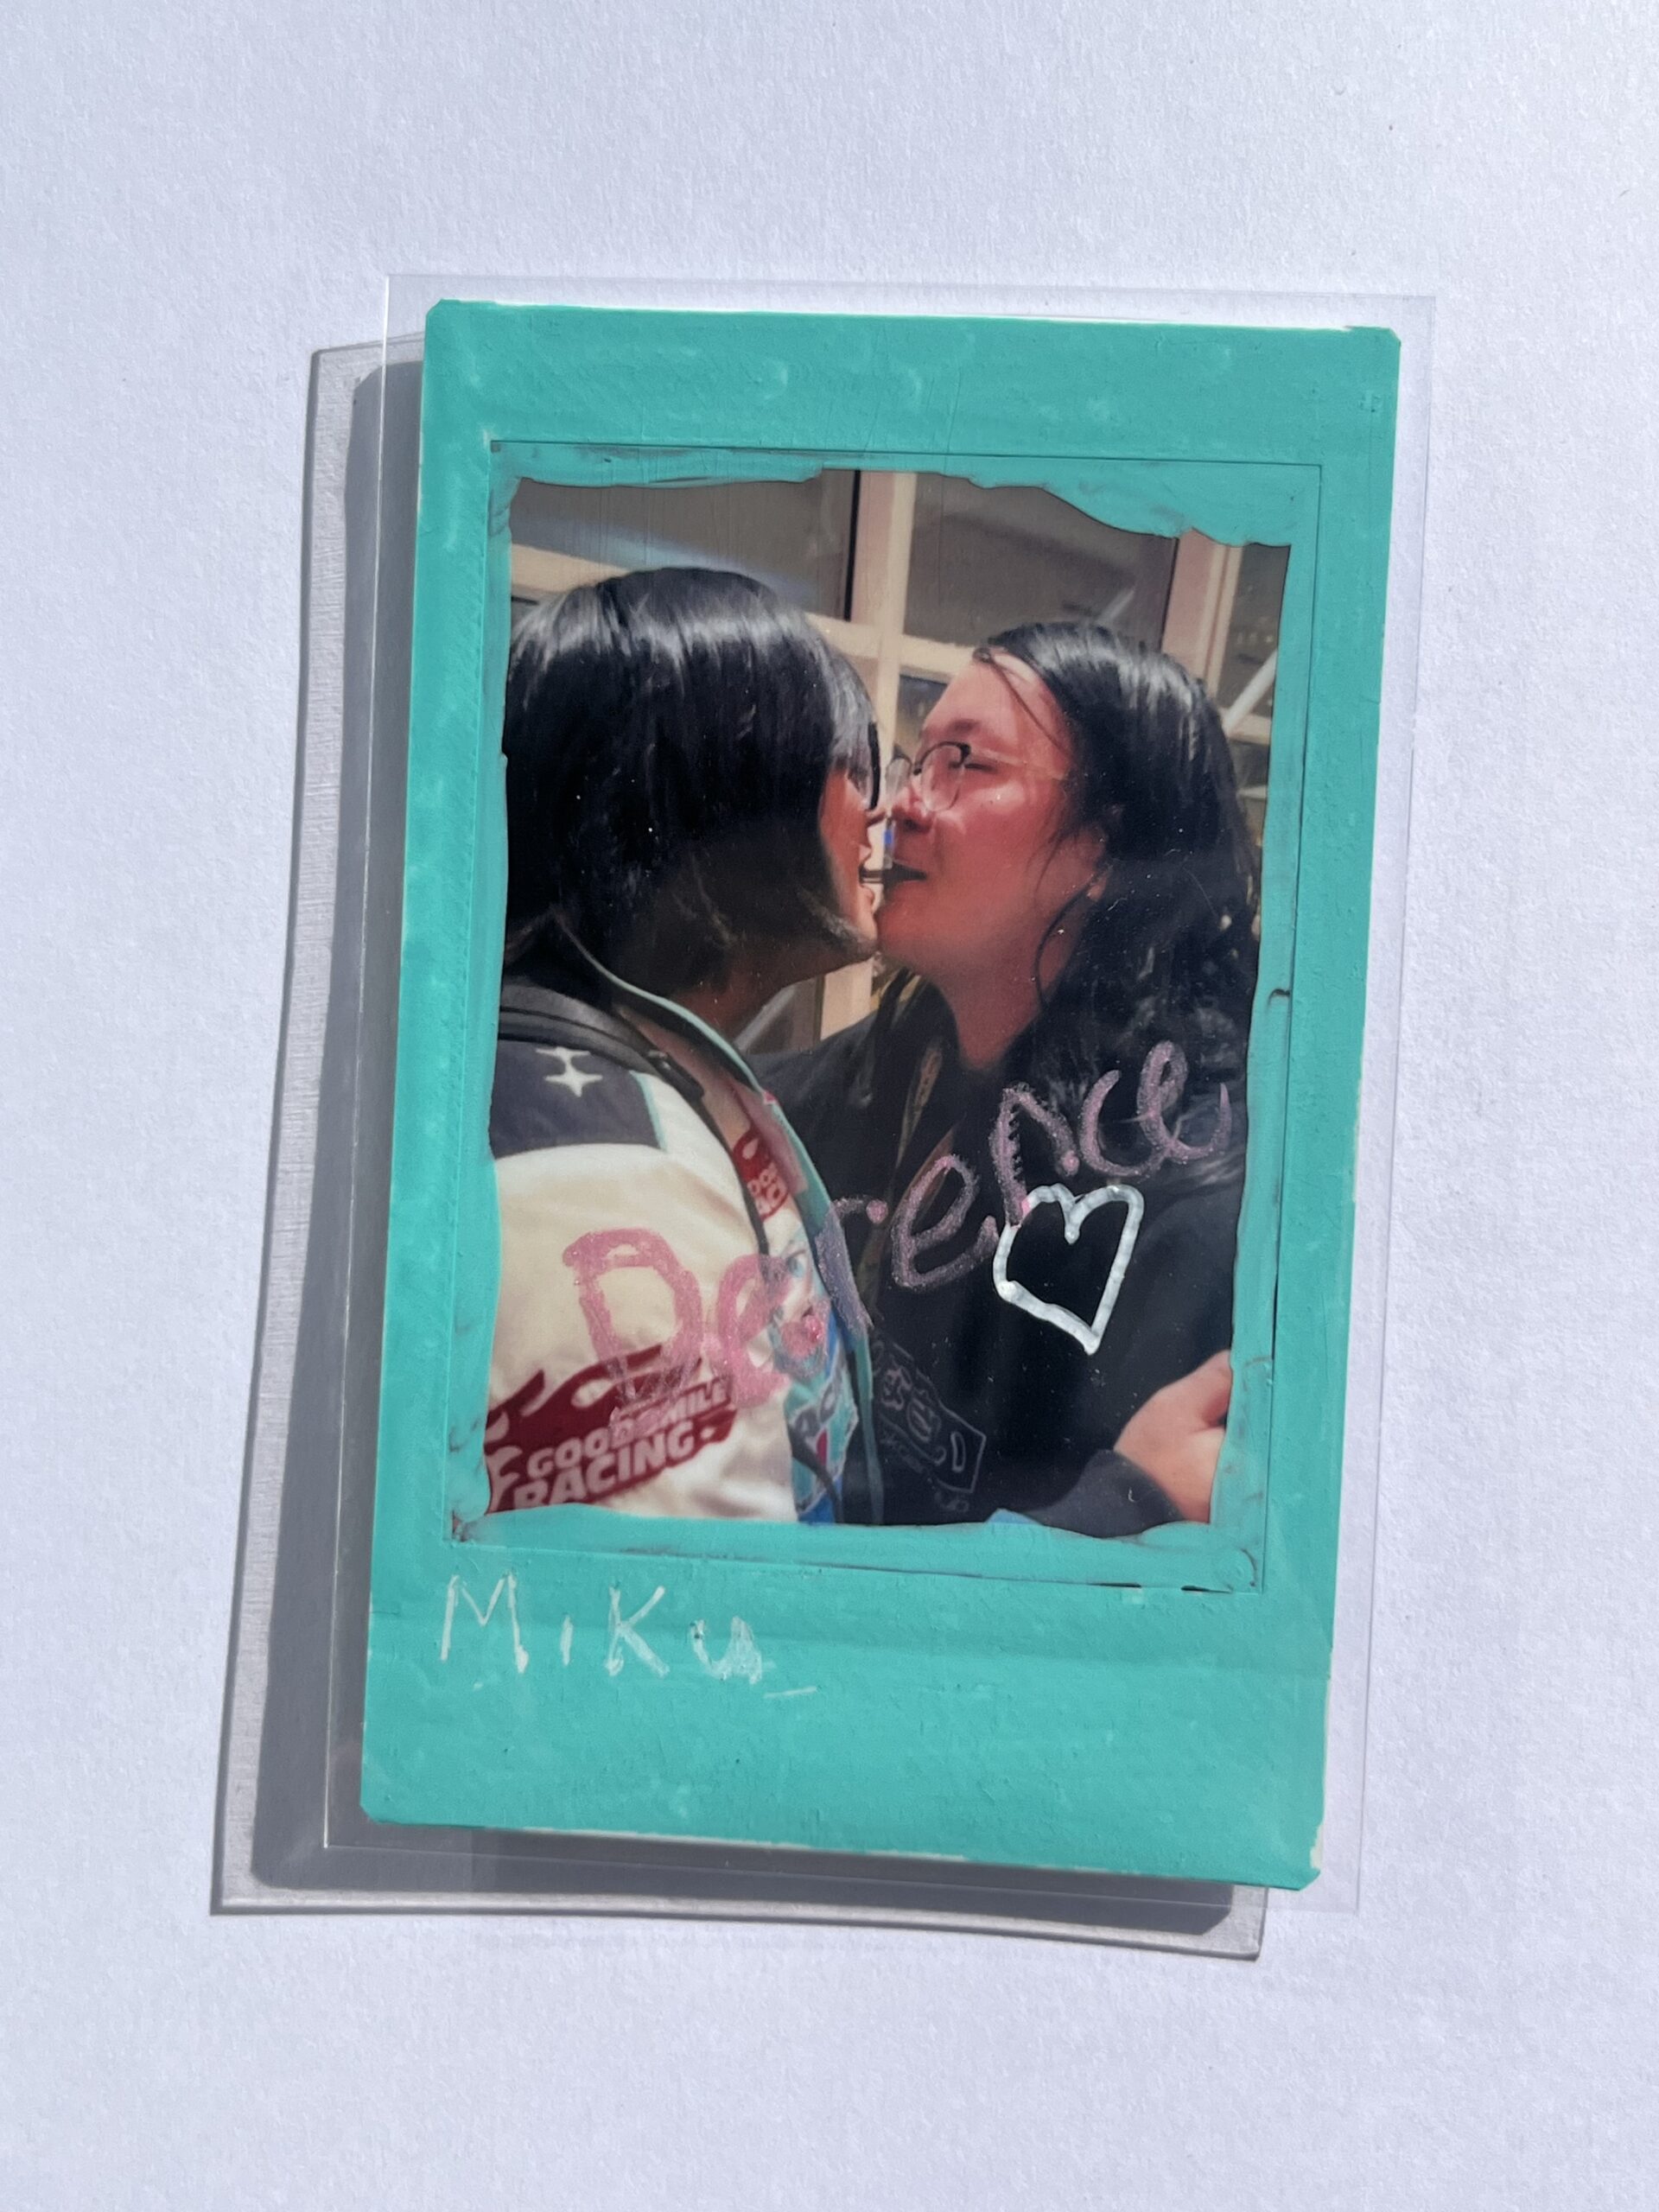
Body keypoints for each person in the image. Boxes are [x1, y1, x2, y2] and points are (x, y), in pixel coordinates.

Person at [767, 622, 1259, 1535]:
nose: (903, 804)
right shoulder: (911, 1054)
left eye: (965, 764)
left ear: (1104, 850)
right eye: (919, 760)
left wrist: (1124, 1511)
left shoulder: (1204, 1200)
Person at [480, 567, 887, 1529]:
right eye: (855, 763)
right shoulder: (606, 1177)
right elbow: (705, 1608)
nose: (879, 811)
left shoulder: (615, 1067)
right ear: (739, 790)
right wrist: (1132, 1495)